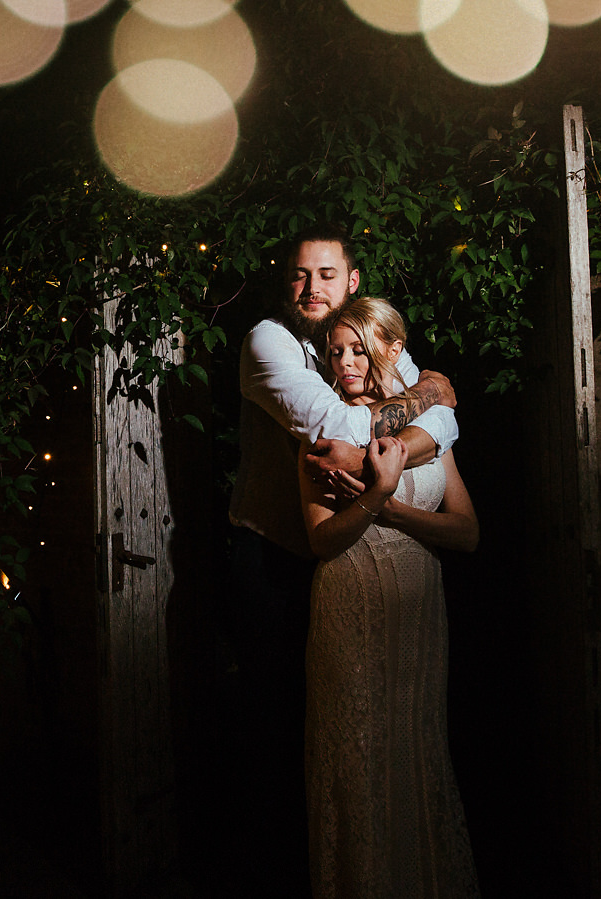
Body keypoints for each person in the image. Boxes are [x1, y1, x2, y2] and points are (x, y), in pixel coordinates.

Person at [226, 228, 457, 892]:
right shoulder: (267, 342)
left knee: (358, 736)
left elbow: (447, 428)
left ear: (351, 282)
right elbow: (344, 431)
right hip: (272, 555)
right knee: (275, 736)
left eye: (327, 274)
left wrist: (415, 421)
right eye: (300, 275)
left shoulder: (371, 340)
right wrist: (423, 402)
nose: (311, 288)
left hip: (346, 563)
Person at [301, 297, 480, 899]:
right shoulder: (323, 426)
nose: (345, 363)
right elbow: (321, 539)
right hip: (349, 601)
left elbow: (468, 531)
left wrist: (394, 506)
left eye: (358, 349)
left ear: (394, 350)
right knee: (356, 757)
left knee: (416, 747)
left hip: (419, 610)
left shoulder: (424, 430)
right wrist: (374, 497)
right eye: (336, 353)